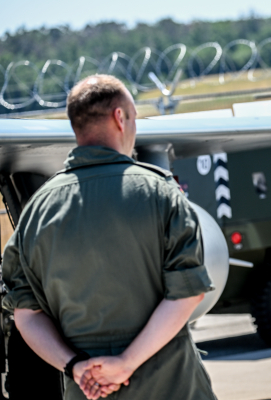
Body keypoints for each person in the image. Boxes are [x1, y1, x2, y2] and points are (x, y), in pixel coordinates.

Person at [2, 74, 217, 400]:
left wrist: (75, 366)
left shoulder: (36, 212)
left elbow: (26, 315)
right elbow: (188, 293)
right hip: (173, 386)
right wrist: (125, 363)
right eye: (133, 117)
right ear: (120, 117)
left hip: (87, 389)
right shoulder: (159, 192)